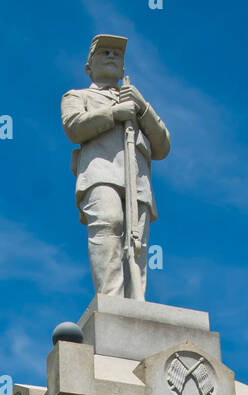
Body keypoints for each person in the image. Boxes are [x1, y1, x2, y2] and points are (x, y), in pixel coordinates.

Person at [61, 34, 170, 299]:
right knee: (109, 223)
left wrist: (141, 107)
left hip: (138, 181)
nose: (112, 56)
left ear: (123, 68)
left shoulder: (138, 105)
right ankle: (111, 299)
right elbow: (74, 127)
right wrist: (113, 114)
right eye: (105, 52)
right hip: (101, 174)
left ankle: (136, 300)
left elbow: (163, 146)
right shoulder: (77, 96)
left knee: (138, 242)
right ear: (89, 66)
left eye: (117, 54)